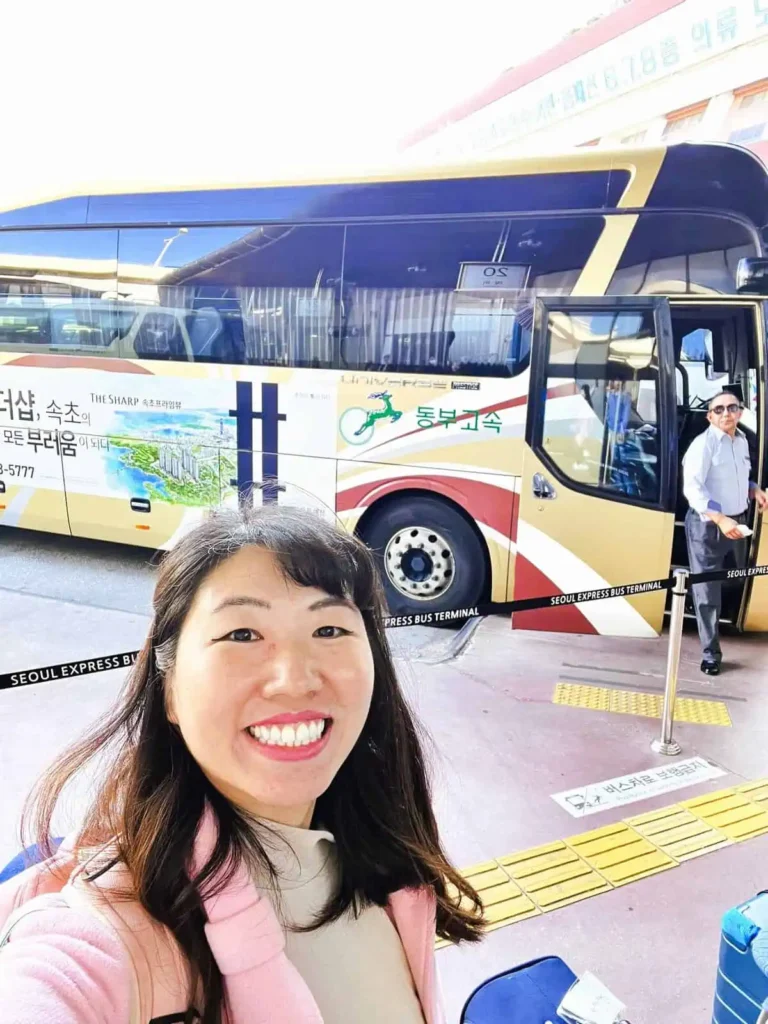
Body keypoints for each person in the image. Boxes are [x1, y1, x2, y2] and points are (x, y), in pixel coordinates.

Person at [0, 505, 484, 1023]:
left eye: (329, 630)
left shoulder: (385, 857)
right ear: (170, 693)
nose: (295, 680)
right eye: (242, 635)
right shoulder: (114, 934)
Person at [682, 391, 768, 675]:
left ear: (740, 412)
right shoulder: (702, 445)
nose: (726, 413)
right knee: (707, 591)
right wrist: (719, 518)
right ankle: (710, 654)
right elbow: (693, 489)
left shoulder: (741, 441)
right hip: (709, 526)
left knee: (738, 575)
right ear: (710, 416)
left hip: (737, 522)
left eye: (732, 408)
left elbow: (737, 475)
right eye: (718, 409)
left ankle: (722, 618)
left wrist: (752, 488)